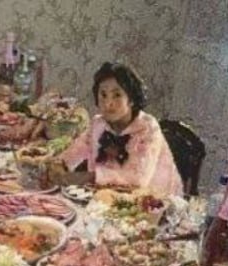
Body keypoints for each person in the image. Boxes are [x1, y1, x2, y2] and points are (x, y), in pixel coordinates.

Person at [53, 62, 183, 196]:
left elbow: (137, 179)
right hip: (104, 200)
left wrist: (89, 177)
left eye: (117, 95)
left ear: (131, 99)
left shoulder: (148, 127)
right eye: (103, 95)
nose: (108, 103)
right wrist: (60, 165)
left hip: (155, 201)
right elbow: (73, 153)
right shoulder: (98, 124)